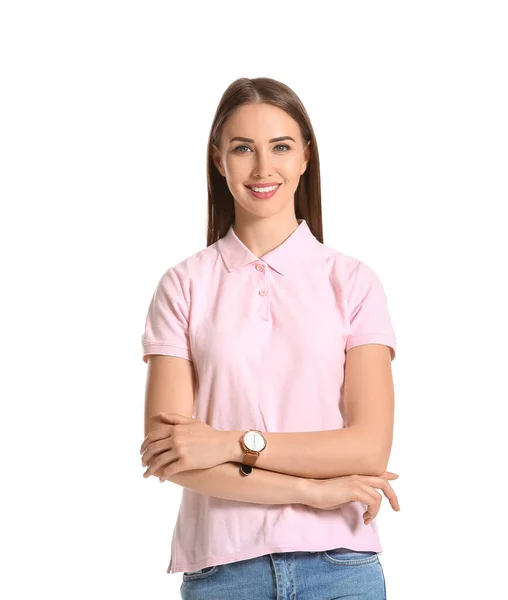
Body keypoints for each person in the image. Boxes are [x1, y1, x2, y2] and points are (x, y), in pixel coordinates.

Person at [139, 76, 400, 599]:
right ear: (219, 159)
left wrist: (226, 443)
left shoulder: (352, 282)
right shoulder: (184, 286)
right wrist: (311, 490)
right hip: (222, 573)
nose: (263, 168)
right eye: (243, 148)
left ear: (305, 157)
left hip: (340, 568)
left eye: (280, 146)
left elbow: (368, 448)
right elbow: (172, 457)